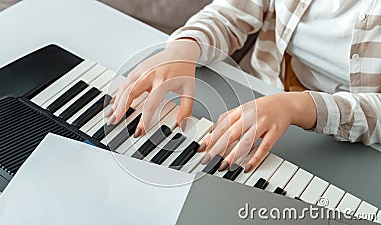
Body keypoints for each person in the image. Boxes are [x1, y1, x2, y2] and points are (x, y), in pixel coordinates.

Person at [107, 0, 381, 173]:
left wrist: (298, 106)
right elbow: (233, 11)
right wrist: (185, 46)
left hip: (351, 144)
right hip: (256, 98)